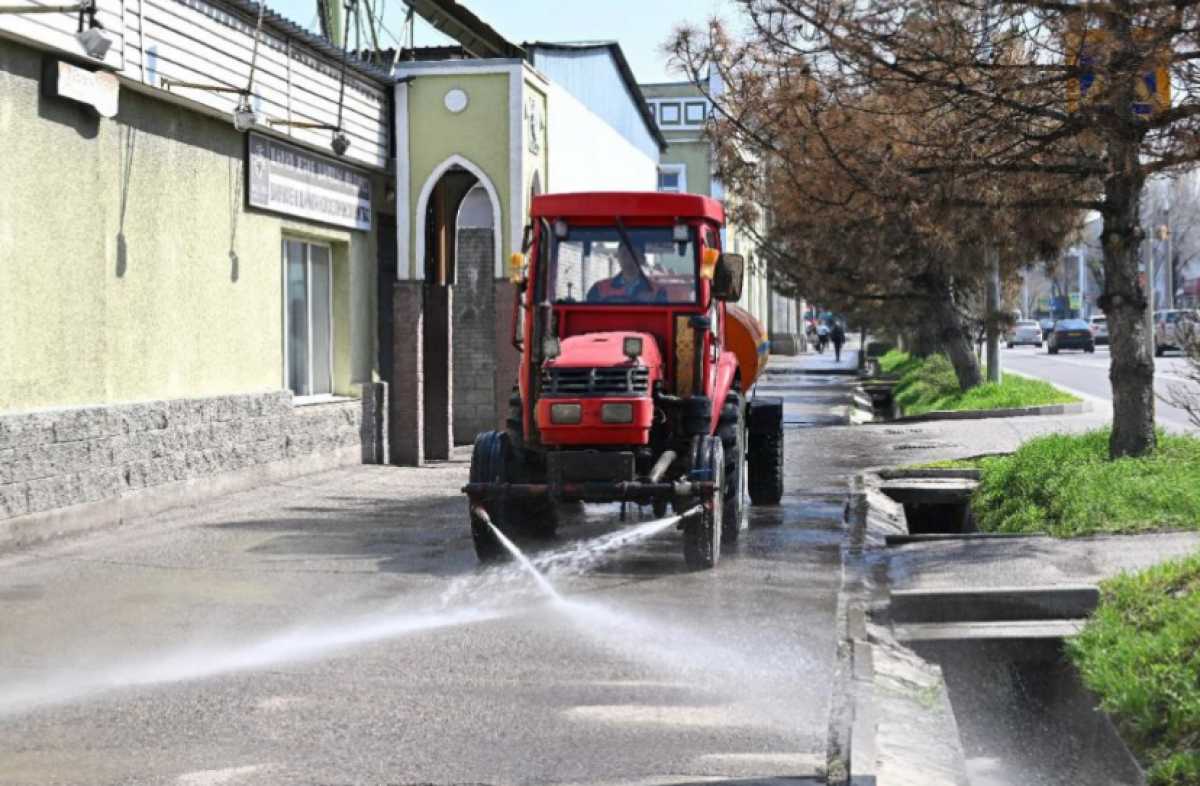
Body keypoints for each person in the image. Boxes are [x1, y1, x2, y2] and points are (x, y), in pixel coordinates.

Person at [586, 244, 663, 303]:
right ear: (618, 257)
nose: (628, 259)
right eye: (624, 254)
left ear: (643, 259)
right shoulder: (599, 288)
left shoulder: (657, 290)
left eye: (634, 254)